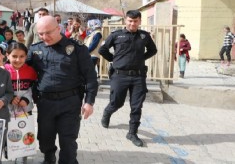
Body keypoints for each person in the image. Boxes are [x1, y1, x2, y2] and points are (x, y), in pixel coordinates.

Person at [27, 16, 98, 164]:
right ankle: (49, 157)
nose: (44, 37)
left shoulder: (77, 49)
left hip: (70, 102)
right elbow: (22, 71)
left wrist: (89, 102)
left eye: (48, 32)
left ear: (58, 28)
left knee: (68, 141)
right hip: (45, 103)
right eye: (40, 34)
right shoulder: (35, 50)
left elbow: (91, 77)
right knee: (45, 138)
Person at [99, 10, 157, 147]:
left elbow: (153, 50)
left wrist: (141, 59)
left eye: (135, 21)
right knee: (117, 102)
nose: (132, 23)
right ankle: (107, 112)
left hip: (138, 76)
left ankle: (132, 133)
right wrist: (114, 60)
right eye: (130, 21)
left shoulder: (144, 36)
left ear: (139, 21)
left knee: (136, 106)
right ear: (125, 21)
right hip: (120, 75)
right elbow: (102, 50)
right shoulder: (116, 35)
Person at [4, 43, 37, 164]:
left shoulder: (31, 71)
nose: (18, 60)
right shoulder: (2, 71)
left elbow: (33, 88)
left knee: (25, 134)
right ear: (7, 55)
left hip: (24, 110)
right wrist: (10, 97)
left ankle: (22, 158)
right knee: (8, 133)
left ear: (26, 56)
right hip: (6, 110)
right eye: (14, 56)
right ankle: (9, 151)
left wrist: (27, 99)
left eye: (22, 56)